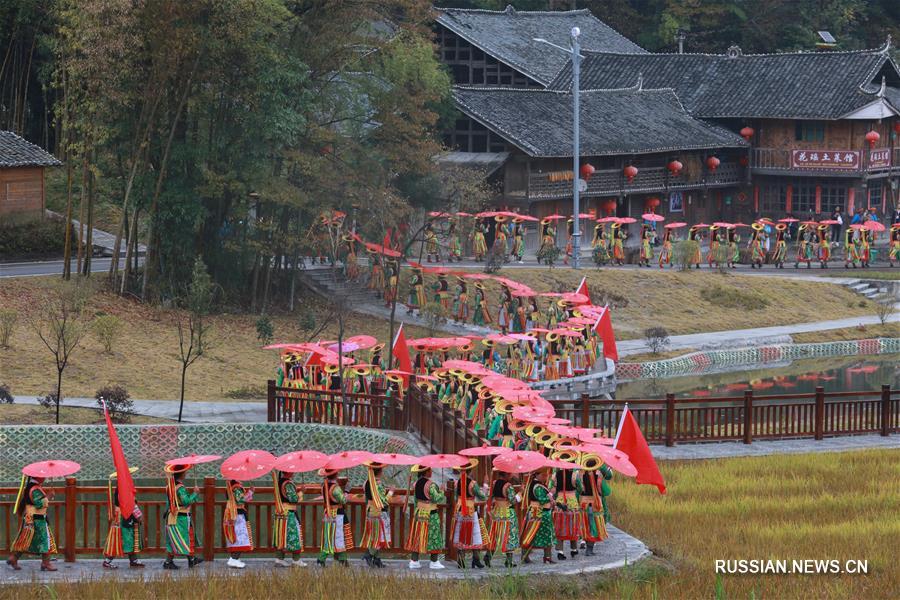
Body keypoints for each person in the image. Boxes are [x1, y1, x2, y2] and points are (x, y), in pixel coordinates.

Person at [8, 475, 58, 571]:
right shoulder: (35, 489)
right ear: (38, 477)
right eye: (42, 476)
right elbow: (39, 504)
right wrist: (49, 496)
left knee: (27, 540)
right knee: (45, 540)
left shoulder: (31, 487)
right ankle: (46, 563)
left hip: (31, 518)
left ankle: (14, 558)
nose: (44, 478)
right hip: (37, 519)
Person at [406, 464, 446, 570]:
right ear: (426, 471)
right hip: (430, 514)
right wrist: (442, 491)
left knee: (418, 535)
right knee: (434, 536)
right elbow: (436, 499)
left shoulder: (416, 484)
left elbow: (415, 500)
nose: (431, 471)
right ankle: (434, 561)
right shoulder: (431, 485)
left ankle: (414, 560)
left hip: (419, 512)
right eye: (430, 469)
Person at [162, 464, 203, 570]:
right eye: (185, 472)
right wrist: (195, 493)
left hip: (172, 515)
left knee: (175, 539)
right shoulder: (180, 488)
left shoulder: (169, 486)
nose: (186, 473)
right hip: (181, 517)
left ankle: (191, 559)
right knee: (185, 538)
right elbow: (186, 501)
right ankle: (170, 562)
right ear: (182, 474)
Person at [103, 468, 144, 569]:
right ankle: (108, 560)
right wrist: (138, 515)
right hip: (124, 515)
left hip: (120, 515)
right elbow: (130, 504)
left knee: (125, 537)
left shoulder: (121, 487)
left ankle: (133, 560)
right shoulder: (124, 488)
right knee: (123, 538)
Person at [451, 458, 489, 569]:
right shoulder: (472, 484)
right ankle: (476, 559)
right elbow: (482, 496)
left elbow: (454, 497)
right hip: (470, 511)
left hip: (459, 510)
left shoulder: (456, 483)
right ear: (470, 470)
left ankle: (461, 560)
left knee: (460, 533)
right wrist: (485, 486)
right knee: (475, 534)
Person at [520, 467, 557, 564]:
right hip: (540, 514)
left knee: (541, 535)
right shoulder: (537, 486)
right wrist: (551, 495)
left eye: (545, 475)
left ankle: (546, 557)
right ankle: (527, 556)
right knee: (536, 534)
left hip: (540, 513)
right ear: (537, 475)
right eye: (543, 475)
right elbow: (542, 500)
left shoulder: (537, 485)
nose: (545, 477)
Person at [486, 469, 520, 568]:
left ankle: (488, 555)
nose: (510, 475)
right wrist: (520, 493)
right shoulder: (508, 486)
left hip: (497, 511)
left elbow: (490, 496)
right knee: (509, 535)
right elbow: (513, 500)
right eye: (509, 474)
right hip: (507, 512)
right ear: (505, 474)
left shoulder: (494, 483)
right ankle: (509, 561)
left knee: (495, 534)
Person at [318, 468, 352, 567]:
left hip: (327, 513)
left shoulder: (323, 486)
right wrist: (346, 490)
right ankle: (342, 559)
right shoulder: (335, 488)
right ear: (336, 474)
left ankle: (322, 558)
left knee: (328, 535)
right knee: (338, 536)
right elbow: (343, 500)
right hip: (337, 514)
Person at [272, 470, 306, 567]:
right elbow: (293, 499)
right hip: (289, 513)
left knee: (281, 535)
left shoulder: (279, 482)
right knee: (294, 536)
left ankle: (279, 559)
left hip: (280, 513)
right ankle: (296, 560)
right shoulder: (288, 484)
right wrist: (301, 492)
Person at [361, 461, 392, 568]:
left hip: (370, 511)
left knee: (375, 536)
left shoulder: (367, 482)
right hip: (378, 512)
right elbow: (383, 501)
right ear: (380, 471)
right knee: (379, 536)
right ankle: (369, 554)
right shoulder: (378, 484)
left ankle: (376, 559)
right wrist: (391, 492)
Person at [578, 455, 610, 556]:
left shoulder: (580, 474)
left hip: (584, 503)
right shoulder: (598, 475)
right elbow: (602, 490)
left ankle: (586, 543)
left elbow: (579, 489)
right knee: (594, 525)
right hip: (595, 503)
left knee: (586, 524)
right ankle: (589, 549)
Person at [552, 458, 582, 560]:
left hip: (560, 502)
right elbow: (580, 488)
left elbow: (553, 489)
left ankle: (560, 551)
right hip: (572, 502)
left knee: (560, 526)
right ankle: (573, 549)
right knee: (572, 525)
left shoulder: (555, 474)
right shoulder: (575, 475)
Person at [223, 479, 254, 569]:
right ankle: (234, 559)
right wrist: (250, 492)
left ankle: (234, 558)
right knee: (240, 538)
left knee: (234, 536)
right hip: (237, 515)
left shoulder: (230, 486)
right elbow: (240, 500)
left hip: (232, 514)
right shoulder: (236, 488)